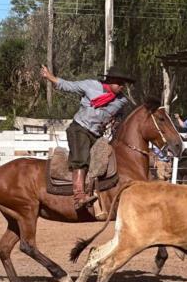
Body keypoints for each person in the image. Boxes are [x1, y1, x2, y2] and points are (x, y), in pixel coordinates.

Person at [40, 64, 133, 209]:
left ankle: (99, 192)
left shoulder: (121, 101)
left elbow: (120, 119)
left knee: (103, 158)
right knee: (81, 159)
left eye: (124, 84)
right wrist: (50, 77)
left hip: (96, 134)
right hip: (79, 129)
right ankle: (79, 197)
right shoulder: (91, 85)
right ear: (110, 80)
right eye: (119, 82)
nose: (122, 86)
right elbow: (68, 85)